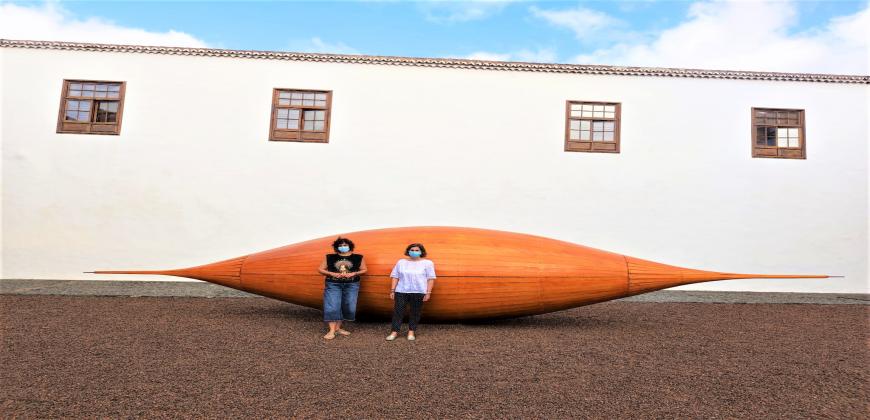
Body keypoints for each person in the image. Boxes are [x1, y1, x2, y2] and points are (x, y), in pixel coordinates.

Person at [317, 237, 366, 340]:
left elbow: (364, 269)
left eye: (345, 245)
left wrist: (354, 273)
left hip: (352, 284)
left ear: (350, 246)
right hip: (333, 284)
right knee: (332, 305)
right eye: (340, 245)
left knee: (347, 305)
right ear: (336, 247)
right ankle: (331, 330)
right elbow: (320, 269)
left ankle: (338, 328)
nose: (343, 247)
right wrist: (331, 273)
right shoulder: (329, 257)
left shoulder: (358, 257)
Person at [386, 243, 436, 341]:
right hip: (401, 290)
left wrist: (428, 292)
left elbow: (430, 279)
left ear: (421, 252)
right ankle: (394, 332)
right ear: (408, 251)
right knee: (398, 312)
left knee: (415, 312)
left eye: (417, 250)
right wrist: (393, 290)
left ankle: (411, 332)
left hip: (419, 291)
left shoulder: (428, 263)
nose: (414, 252)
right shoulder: (401, 262)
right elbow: (395, 276)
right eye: (412, 250)